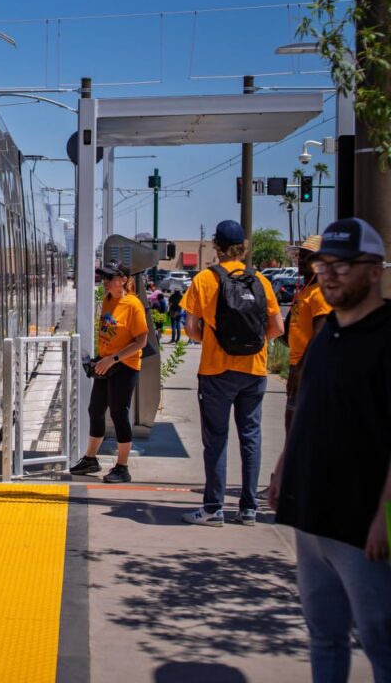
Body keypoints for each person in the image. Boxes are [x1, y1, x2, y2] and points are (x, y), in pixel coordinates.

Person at [269, 218, 390, 682]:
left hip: (365, 525)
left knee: (381, 640)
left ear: (375, 270)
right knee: (323, 635)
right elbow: (308, 411)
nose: (330, 275)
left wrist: (387, 517)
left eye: (344, 265)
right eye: (324, 266)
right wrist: (283, 469)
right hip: (312, 515)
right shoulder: (327, 338)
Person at [181, 220, 284, 527]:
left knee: (216, 439)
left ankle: (213, 508)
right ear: (244, 247)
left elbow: (191, 329)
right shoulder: (260, 280)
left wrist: (218, 342)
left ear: (216, 245)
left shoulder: (204, 279)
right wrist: (252, 344)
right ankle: (249, 509)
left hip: (216, 371)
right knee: (251, 436)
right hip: (254, 369)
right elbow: (278, 327)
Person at [69, 261, 149, 484]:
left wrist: (113, 359)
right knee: (95, 410)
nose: (105, 281)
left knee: (118, 413)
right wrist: (99, 358)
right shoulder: (108, 300)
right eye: (103, 277)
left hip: (125, 365)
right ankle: (90, 459)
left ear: (123, 280)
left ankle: (122, 467)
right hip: (106, 364)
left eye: (110, 277)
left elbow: (141, 341)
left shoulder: (133, 305)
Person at [281, 234, 331, 436]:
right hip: (299, 366)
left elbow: (319, 335)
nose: (300, 261)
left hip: (310, 370)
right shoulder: (306, 290)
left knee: (298, 431)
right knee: (293, 428)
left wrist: (299, 370)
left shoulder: (320, 293)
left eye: (307, 257)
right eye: (300, 256)